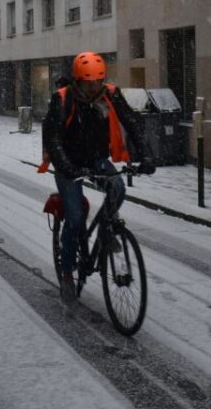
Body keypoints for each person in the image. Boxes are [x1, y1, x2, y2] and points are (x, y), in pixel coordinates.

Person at [39, 52, 155, 302]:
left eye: (98, 81)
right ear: (77, 80)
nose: (93, 87)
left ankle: (106, 231)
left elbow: (132, 123)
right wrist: (68, 168)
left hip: (96, 159)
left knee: (118, 188)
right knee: (75, 217)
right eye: (88, 82)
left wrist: (146, 156)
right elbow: (53, 138)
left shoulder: (110, 94)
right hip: (68, 163)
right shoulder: (63, 99)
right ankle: (68, 272)